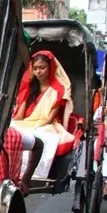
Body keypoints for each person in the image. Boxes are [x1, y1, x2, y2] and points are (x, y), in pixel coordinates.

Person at [10, 51, 74, 179]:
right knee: (10, 129)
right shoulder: (30, 88)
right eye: (35, 68)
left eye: (42, 67)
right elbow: (20, 116)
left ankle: (31, 175)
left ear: (50, 68)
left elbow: (49, 119)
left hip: (48, 124)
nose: (38, 71)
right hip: (28, 122)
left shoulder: (58, 90)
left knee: (39, 134)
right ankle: (11, 169)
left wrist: (33, 128)